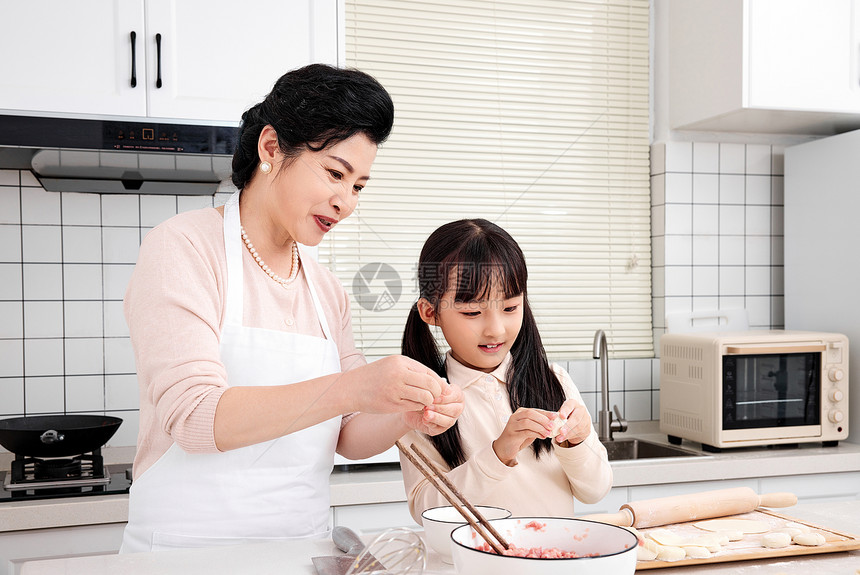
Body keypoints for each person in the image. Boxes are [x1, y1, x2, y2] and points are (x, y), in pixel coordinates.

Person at [120, 64, 463, 553]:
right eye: (334, 173)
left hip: (303, 552)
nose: (345, 201)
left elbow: (348, 433)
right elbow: (196, 419)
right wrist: (355, 386)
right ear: (271, 148)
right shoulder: (183, 249)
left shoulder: (325, 289)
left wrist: (406, 414)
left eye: (359, 186)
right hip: (186, 554)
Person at [399, 219, 612, 522]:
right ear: (430, 312)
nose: (495, 330)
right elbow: (426, 511)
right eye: (472, 312)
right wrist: (498, 454)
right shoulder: (422, 401)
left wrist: (577, 442)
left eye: (511, 308)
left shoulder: (554, 381)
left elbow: (596, 490)